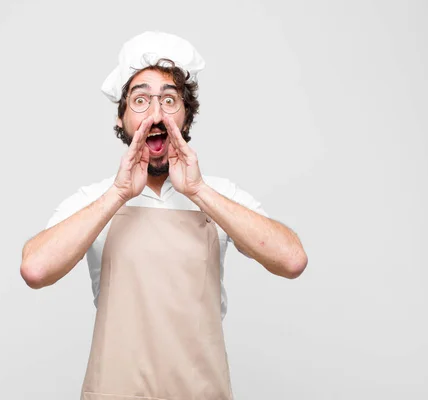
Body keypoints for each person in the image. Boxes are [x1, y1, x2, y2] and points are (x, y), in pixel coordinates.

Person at [20, 31, 308, 400]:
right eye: (140, 100)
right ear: (122, 118)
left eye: (169, 100)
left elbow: (292, 259)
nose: (155, 114)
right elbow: (35, 269)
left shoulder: (219, 195)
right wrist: (119, 194)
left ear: (186, 117)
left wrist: (198, 191)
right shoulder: (95, 199)